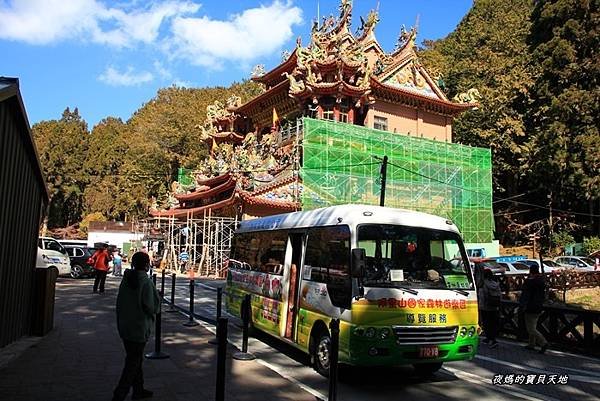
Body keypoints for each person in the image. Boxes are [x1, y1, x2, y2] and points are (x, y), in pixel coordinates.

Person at [112, 252, 160, 401]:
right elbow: (151, 307)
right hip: (139, 326)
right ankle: (119, 394)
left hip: (125, 325)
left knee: (135, 359)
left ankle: (138, 390)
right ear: (146, 264)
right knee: (133, 362)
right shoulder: (145, 282)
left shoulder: (126, 279)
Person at [519, 265, 549, 354]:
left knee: (531, 328)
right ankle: (531, 344)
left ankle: (543, 342)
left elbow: (525, 295)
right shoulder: (541, 281)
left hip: (530, 306)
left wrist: (522, 305)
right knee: (533, 325)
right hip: (539, 306)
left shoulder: (529, 282)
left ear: (530, 271)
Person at [478, 268, 501, 348]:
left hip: (485, 306)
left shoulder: (483, 284)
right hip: (495, 306)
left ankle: (490, 339)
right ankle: (492, 338)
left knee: (486, 323)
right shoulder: (496, 284)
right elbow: (500, 295)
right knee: (493, 323)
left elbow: (483, 296)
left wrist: (481, 304)